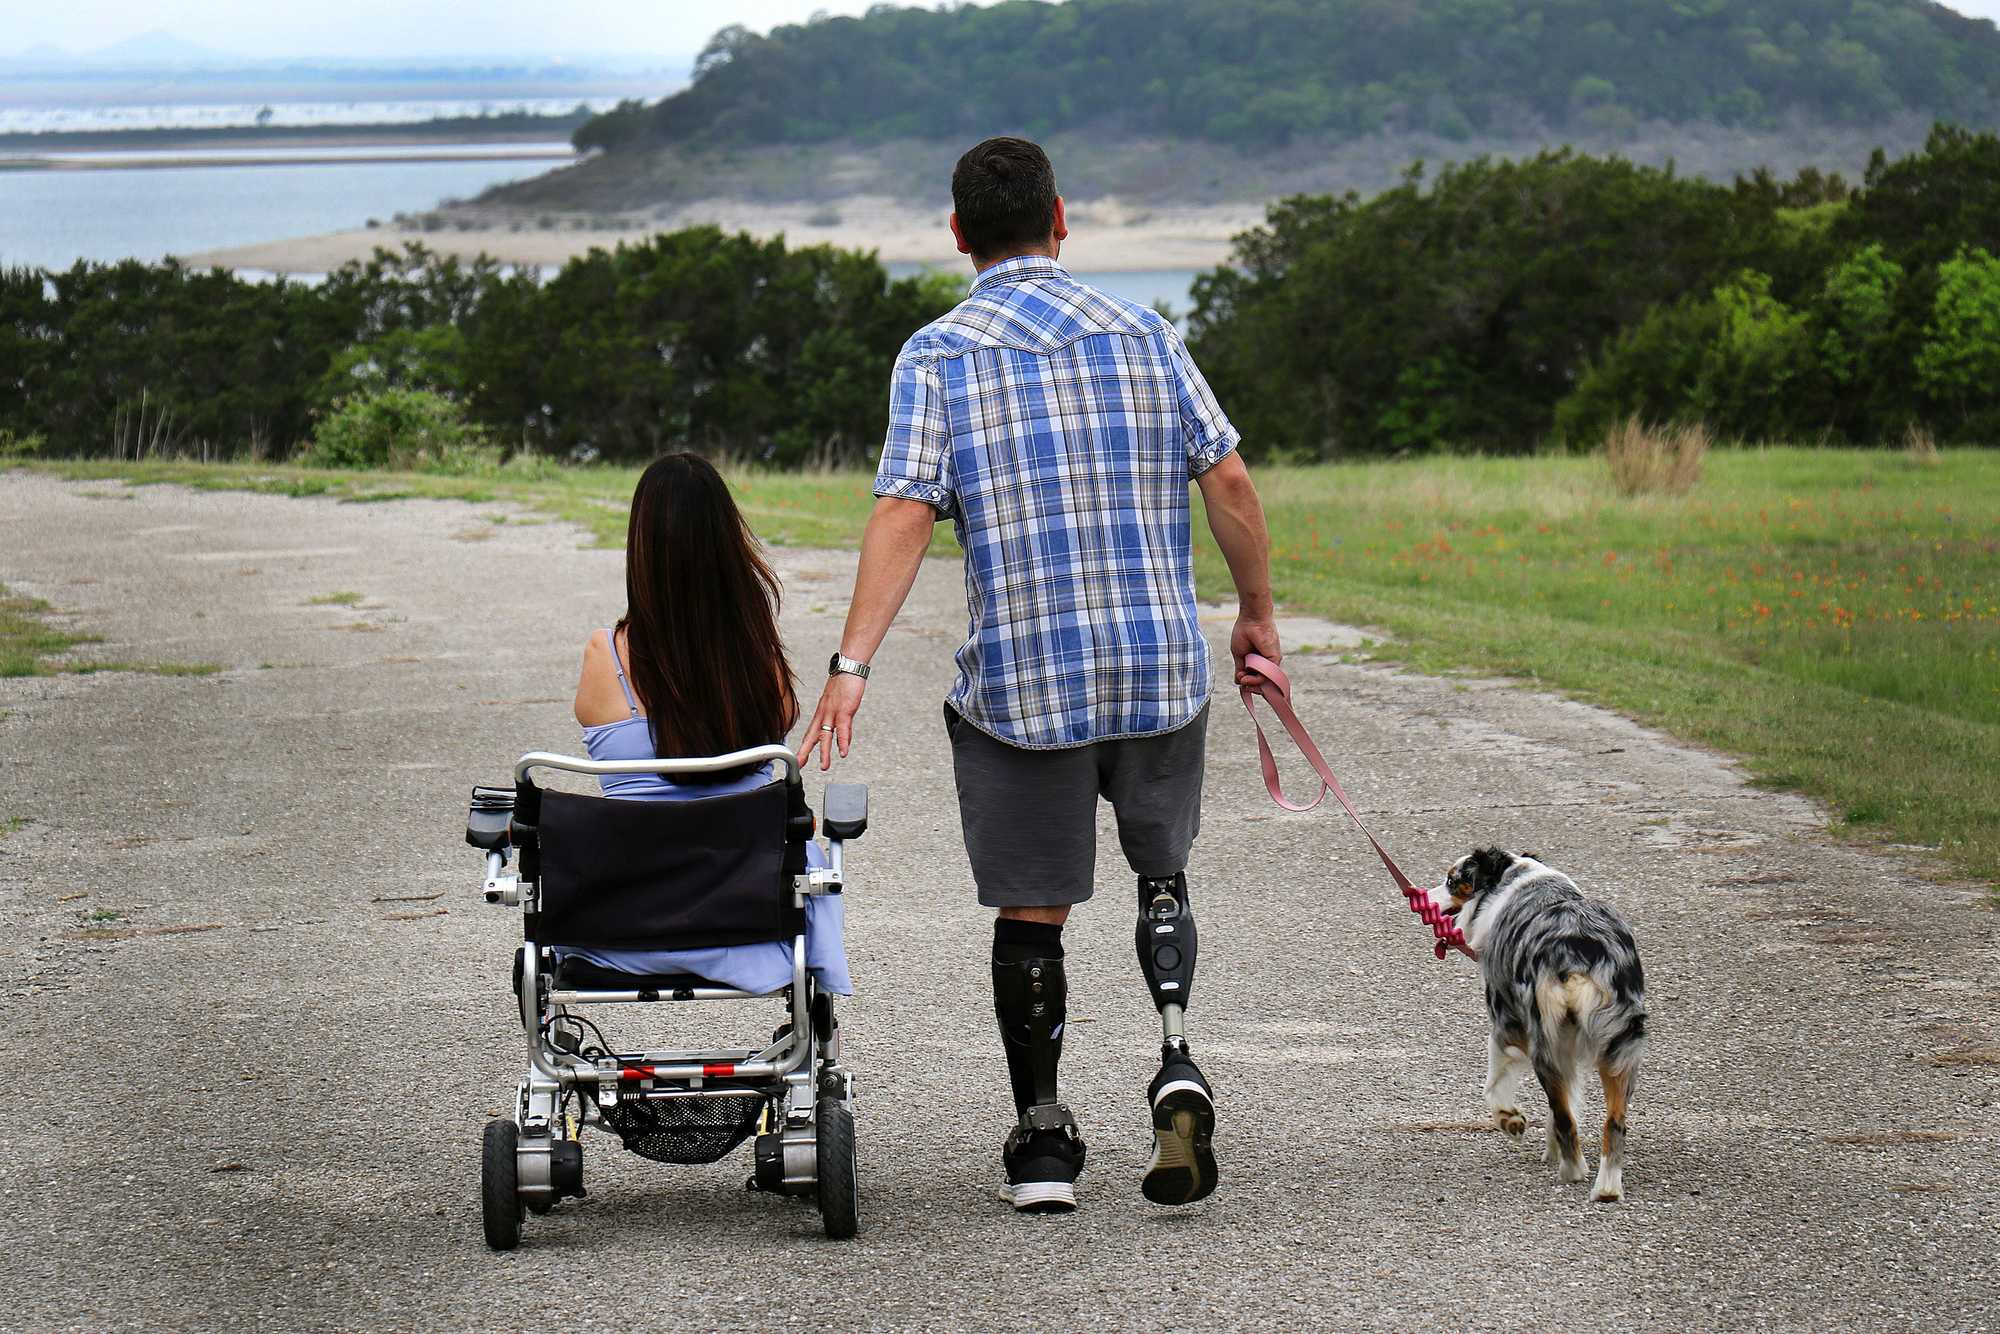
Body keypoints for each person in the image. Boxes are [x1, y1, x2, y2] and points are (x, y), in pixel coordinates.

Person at [799, 137, 1276, 1212]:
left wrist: (849, 665)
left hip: (1026, 681)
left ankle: (1045, 1135)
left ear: (958, 233)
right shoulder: (1145, 333)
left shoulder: (936, 354)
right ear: (1061, 218)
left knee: (1033, 907)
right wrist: (1253, 617)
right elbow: (1230, 479)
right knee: (1161, 874)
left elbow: (904, 510)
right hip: (1156, 668)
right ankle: (1176, 1052)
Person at [574, 452, 850, 997]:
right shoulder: (757, 659)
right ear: (727, 545)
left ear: (641, 549)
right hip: (752, 927)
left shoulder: (603, 656)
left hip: (622, 926)